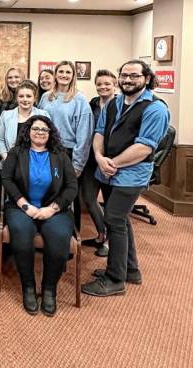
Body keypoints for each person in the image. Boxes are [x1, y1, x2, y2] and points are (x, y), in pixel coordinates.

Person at [82, 60, 169, 298]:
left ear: (147, 78)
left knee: (113, 219)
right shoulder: (114, 103)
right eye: (124, 75)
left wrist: (113, 163)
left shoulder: (155, 108)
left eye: (134, 76)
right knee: (121, 220)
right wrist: (99, 156)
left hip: (130, 174)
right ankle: (130, 270)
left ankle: (115, 278)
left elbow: (144, 147)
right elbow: (100, 131)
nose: (128, 80)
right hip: (108, 171)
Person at [1, 115, 78, 316]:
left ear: (50, 133)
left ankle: (49, 288)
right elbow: (6, 179)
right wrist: (24, 205)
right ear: (27, 131)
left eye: (44, 130)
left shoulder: (60, 155)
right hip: (21, 206)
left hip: (53, 209)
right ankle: (28, 286)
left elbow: (71, 187)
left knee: (59, 237)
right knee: (21, 233)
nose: (40, 133)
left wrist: (52, 209)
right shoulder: (17, 153)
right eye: (35, 129)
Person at [38, 60, 93, 230]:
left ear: (73, 76)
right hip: (45, 150)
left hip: (68, 152)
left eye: (68, 72)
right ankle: (45, 228)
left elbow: (84, 135)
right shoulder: (46, 97)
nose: (64, 75)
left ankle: (70, 234)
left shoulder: (80, 100)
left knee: (68, 195)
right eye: (60, 71)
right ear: (55, 74)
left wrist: (78, 164)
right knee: (46, 190)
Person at [80, 70, 117, 257]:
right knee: (89, 197)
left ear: (115, 85)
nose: (103, 87)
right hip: (91, 159)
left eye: (107, 84)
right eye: (100, 84)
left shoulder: (120, 106)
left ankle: (110, 241)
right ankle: (101, 233)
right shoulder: (93, 104)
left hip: (112, 162)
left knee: (111, 203)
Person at [0, 81, 50, 165]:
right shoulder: (5, 115)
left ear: (34, 98)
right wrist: (7, 158)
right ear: (16, 98)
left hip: (37, 163)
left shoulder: (43, 115)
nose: (25, 99)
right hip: (11, 162)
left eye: (28, 96)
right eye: (21, 96)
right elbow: (0, 140)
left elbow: (49, 139)